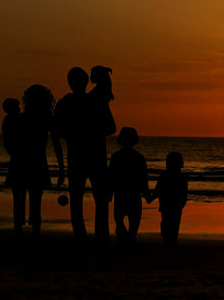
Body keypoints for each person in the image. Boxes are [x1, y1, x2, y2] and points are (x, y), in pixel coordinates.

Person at [52, 66, 116, 246]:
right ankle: (100, 239)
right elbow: (111, 128)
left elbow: (56, 135)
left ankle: (82, 238)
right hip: (95, 157)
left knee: (79, 201)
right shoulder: (94, 101)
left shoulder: (66, 103)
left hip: (79, 158)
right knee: (99, 200)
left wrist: (61, 168)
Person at [10, 84, 63, 239]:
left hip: (20, 161)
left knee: (19, 201)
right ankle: (35, 232)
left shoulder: (20, 118)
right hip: (37, 162)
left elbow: (11, 141)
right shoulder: (47, 119)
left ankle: (19, 232)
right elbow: (56, 145)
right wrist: (60, 169)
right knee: (35, 201)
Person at [109, 126, 149, 245]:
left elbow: (111, 175)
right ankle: (130, 236)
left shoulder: (116, 156)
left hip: (120, 191)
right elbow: (144, 177)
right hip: (133, 192)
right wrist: (146, 192)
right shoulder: (139, 157)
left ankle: (123, 234)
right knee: (134, 219)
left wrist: (110, 191)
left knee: (119, 217)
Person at [148, 151, 188, 248]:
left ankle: (168, 242)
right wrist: (182, 203)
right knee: (174, 224)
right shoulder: (182, 177)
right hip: (176, 204)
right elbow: (184, 193)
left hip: (167, 204)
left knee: (166, 223)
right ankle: (172, 242)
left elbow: (157, 190)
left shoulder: (164, 176)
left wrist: (150, 198)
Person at [1, 97, 21, 189]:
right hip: (17, 157)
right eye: (17, 107)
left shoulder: (9, 120)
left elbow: (6, 142)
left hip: (15, 157)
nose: (19, 108)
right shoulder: (14, 120)